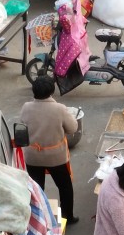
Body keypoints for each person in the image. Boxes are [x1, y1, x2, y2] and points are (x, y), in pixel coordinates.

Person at [20, 75, 80, 224]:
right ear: (51, 91)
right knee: (64, 186)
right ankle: (67, 216)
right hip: (56, 157)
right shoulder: (59, 109)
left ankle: (38, 218)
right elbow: (72, 128)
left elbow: (23, 126)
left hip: (32, 156)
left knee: (37, 188)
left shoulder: (26, 107)